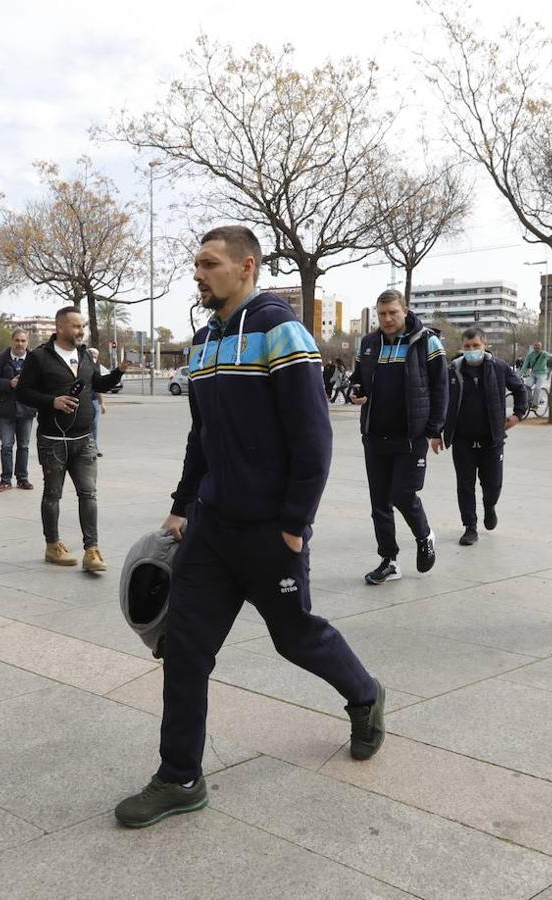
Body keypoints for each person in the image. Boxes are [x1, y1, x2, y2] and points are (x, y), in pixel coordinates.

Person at [114, 225, 382, 829]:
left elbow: (313, 435)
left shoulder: (280, 330)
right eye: (197, 265)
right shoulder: (206, 341)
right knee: (184, 650)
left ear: (247, 267)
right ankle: (179, 777)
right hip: (211, 528)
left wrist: (295, 523)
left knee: (295, 637)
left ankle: (365, 696)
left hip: (269, 530)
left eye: (209, 264)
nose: (199, 274)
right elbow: (201, 435)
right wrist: (184, 503)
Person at [14, 306, 129, 572]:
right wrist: (51, 401)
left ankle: (92, 550)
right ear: (60, 328)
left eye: (82, 326)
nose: (81, 331)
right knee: (52, 494)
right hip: (53, 439)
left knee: (88, 494)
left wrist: (119, 371)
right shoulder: (40, 357)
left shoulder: (85, 356)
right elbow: (23, 392)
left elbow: (97, 385)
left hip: (84, 438)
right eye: (76, 326)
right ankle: (52, 545)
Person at [349, 289, 447, 585]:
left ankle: (424, 534)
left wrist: (434, 430)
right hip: (375, 434)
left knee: (402, 494)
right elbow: (358, 380)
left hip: (412, 436)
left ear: (405, 311)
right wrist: (356, 391)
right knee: (379, 501)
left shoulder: (426, 341)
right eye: (382, 314)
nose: (387, 319)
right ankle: (389, 560)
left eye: (393, 312)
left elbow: (441, 387)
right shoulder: (368, 344)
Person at [442, 327, 527, 545]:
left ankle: (490, 506)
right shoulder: (454, 369)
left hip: (492, 440)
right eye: (467, 347)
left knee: (492, 485)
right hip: (462, 440)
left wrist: (518, 414)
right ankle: (470, 527)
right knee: (465, 485)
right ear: (462, 347)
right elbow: (441, 399)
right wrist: (436, 432)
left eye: (476, 346)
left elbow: (520, 389)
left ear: (485, 344)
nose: (471, 350)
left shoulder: (499, 367)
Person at [0, 329, 37, 491]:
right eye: (17, 340)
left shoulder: (34, 359)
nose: (20, 344)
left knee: (24, 446)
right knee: (7, 445)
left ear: (27, 342)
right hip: (6, 410)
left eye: (23, 341)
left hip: (27, 409)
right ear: (12, 341)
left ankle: (22, 478)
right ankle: (5, 480)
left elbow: (41, 381)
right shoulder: (1, 359)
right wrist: (9, 383)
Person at [87, 346, 107, 457]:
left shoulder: (97, 366)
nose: (94, 357)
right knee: (86, 424)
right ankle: (87, 447)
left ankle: (94, 447)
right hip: (84, 399)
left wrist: (102, 403)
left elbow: (99, 386)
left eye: (95, 356)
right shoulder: (83, 365)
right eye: (92, 355)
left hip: (94, 399)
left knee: (94, 425)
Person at [520, 341, 551, 413]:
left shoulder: (543, 354)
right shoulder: (530, 355)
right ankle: (530, 400)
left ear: (541, 347)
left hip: (542, 374)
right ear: (533, 347)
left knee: (537, 388)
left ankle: (535, 405)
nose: (537, 347)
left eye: (538, 346)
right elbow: (525, 364)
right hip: (533, 373)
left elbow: (548, 356)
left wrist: (549, 356)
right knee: (527, 386)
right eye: (535, 346)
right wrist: (520, 374)